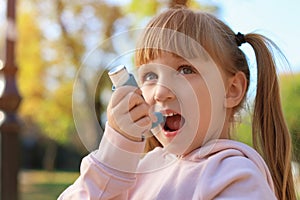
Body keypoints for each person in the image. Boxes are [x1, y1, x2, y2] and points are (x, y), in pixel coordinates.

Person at [58, 6, 296, 200]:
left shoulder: (236, 177)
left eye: (185, 70)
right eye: (150, 76)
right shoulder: (139, 171)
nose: (160, 92)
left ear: (231, 90)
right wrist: (114, 155)